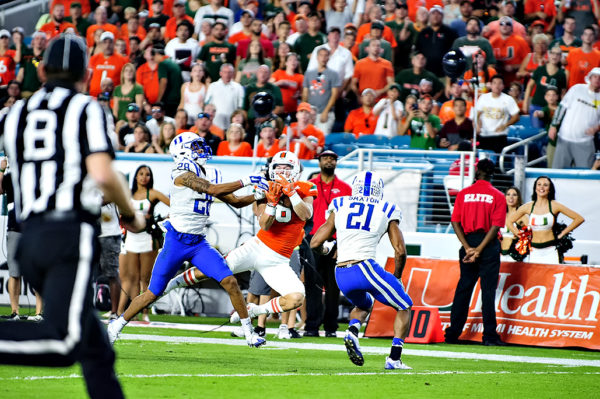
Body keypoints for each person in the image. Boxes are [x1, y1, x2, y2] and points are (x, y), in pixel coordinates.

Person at [0, 33, 146, 398]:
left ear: (44, 70)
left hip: (28, 235)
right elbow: (102, 173)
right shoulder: (86, 108)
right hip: (67, 233)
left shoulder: (15, 112)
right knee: (64, 343)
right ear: (85, 74)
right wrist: (132, 214)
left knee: (96, 348)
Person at [108, 133, 268, 348]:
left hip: (198, 243)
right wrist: (246, 180)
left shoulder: (203, 173)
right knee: (152, 293)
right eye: (195, 147)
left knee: (230, 281)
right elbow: (213, 190)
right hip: (176, 242)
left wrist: (262, 196)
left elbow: (236, 202)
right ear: (183, 151)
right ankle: (117, 325)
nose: (201, 150)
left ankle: (249, 333)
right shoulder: (182, 174)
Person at [167, 151, 316, 333]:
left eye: (287, 167)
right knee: (210, 269)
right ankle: (170, 284)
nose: (282, 170)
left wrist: (291, 193)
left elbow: (306, 214)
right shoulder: (265, 187)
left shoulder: (305, 187)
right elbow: (264, 224)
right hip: (257, 248)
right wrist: (271, 202)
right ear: (271, 168)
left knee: (296, 297)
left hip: (279, 260)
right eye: (278, 166)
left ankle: (256, 311)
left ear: (295, 170)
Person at [310, 170, 413, 369]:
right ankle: (394, 359)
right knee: (404, 305)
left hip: (341, 272)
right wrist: (398, 277)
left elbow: (315, 243)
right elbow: (400, 251)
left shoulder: (340, 203)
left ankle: (352, 331)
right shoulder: (387, 207)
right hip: (365, 266)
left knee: (365, 304)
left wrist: (328, 249)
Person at [444, 159, 506, 346]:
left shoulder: (464, 194)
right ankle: (489, 336)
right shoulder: (497, 196)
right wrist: (479, 250)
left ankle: (452, 334)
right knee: (487, 292)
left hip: (468, 242)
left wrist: (468, 248)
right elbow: (495, 227)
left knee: (464, 289)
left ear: (477, 171)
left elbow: (455, 222)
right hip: (488, 245)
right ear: (492, 173)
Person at [303, 150, 352, 338]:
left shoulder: (345, 188)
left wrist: (341, 244)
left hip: (336, 240)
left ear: (336, 162)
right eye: (325, 158)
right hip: (313, 239)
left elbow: (347, 219)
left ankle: (331, 327)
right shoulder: (309, 186)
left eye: (332, 158)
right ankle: (311, 326)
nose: (329, 161)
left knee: (334, 286)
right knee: (312, 285)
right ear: (319, 162)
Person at [118, 164, 170, 321]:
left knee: (145, 278)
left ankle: (146, 313)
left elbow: (173, 205)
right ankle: (134, 312)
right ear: (135, 177)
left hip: (147, 238)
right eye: (141, 174)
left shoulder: (153, 193)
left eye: (147, 174)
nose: (144, 177)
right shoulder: (129, 194)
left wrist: (163, 220)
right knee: (133, 277)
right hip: (131, 238)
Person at [0, 157, 43, 321]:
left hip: (33, 224)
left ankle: (39, 312)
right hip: (15, 224)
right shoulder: (11, 174)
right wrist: (2, 170)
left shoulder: (36, 170)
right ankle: (15, 311)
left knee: (38, 270)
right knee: (14, 271)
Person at [508, 176, 584, 264]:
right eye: (539, 184)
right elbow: (509, 221)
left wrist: (562, 234)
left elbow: (579, 219)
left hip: (551, 250)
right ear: (535, 188)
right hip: (534, 251)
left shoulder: (555, 205)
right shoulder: (528, 206)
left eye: (545, 185)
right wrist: (521, 236)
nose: (541, 187)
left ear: (550, 189)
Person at [550, 68, 600, 169]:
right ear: (590, 78)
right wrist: (554, 125)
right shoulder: (577, 89)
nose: (597, 80)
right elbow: (561, 107)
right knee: (557, 173)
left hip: (585, 142)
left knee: (585, 175)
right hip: (564, 138)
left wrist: (596, 128)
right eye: (595, 77)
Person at [472, 75, 520, 153]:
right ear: (490, 85)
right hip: (484, 135)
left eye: (499, 83)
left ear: (503, 86)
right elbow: (477, 114)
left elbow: (516, 117)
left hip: (499, 136)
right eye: (494, 83)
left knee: (497, 159)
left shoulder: (508, 99)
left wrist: (505, 125)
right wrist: (477, 125)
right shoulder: (483, 97)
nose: (497, 86)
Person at [302, 47, 341, 135]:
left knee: (322, 138)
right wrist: (306, 111)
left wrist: (326, 111)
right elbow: (305, 94)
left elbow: (334, 94)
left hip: (325, 113)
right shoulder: (309, 73)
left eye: (326, 55)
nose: (323, 58)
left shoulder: (333, 74)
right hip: (310, 113)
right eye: (321, 55)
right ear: (317, 57)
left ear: (329, 58)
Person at [500, 186, 527, 261]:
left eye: (514, 195)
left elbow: (529, 235)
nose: (510, 197)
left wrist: (518, 234)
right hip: (501, 255)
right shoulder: (502, 215)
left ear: (518, 198)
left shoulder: (522, 215)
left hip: (515, 256)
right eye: (508, 194)